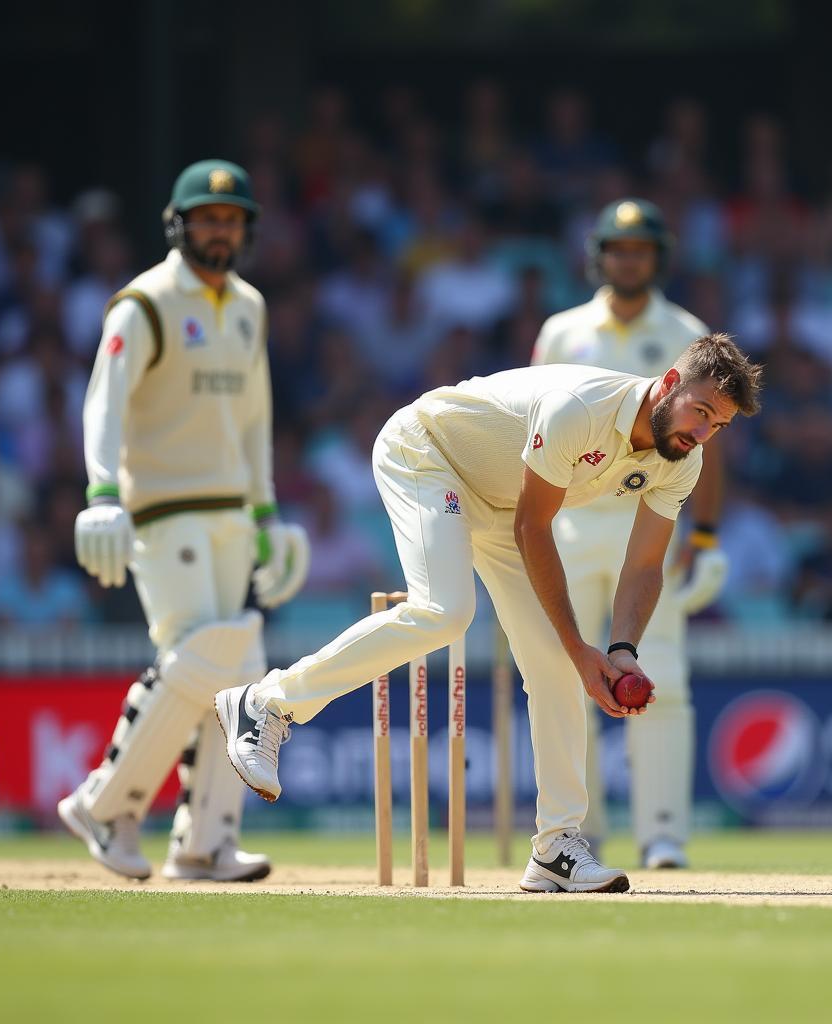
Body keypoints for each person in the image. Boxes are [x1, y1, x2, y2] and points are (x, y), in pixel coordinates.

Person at [215, 334, 761, 893]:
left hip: (502, 500)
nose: (701, 434)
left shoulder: (680, 460)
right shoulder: (581, 408)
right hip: (428, 455)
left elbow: (646, 564)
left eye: (717, 425)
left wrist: (620, 651)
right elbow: (534, 527)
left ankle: (556, 848)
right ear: (669, 384)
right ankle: (266, 703)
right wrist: (580, 646)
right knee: (446, 612)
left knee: (554, 665)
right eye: (699, 412)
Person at [57, 160, 310, 881]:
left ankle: (204, 844)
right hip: (164, 511)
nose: (220, 231)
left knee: (238, 674)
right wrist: (103, 492)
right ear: (179, 223)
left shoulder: (250, 307)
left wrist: (267, 514)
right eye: (207, 218)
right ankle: (105, 803)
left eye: (230, 220)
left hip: (233, 511)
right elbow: (103, 401)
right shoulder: (145, 303)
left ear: (247, 229)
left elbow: (255, 416)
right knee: (205, 654)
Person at [532, 198, 728, 868]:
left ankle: (663, 833)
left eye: (639, 250)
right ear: (599, 256)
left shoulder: (684, 330)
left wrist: (705, 536)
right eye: (617, 249)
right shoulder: (563, 332)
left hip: (652, 525)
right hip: (572, 526)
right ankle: (577, 833)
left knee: (661, 676)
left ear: (658, 258)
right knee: (569, 677)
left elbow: (712, 444)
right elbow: (534, 430)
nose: (628, 260)